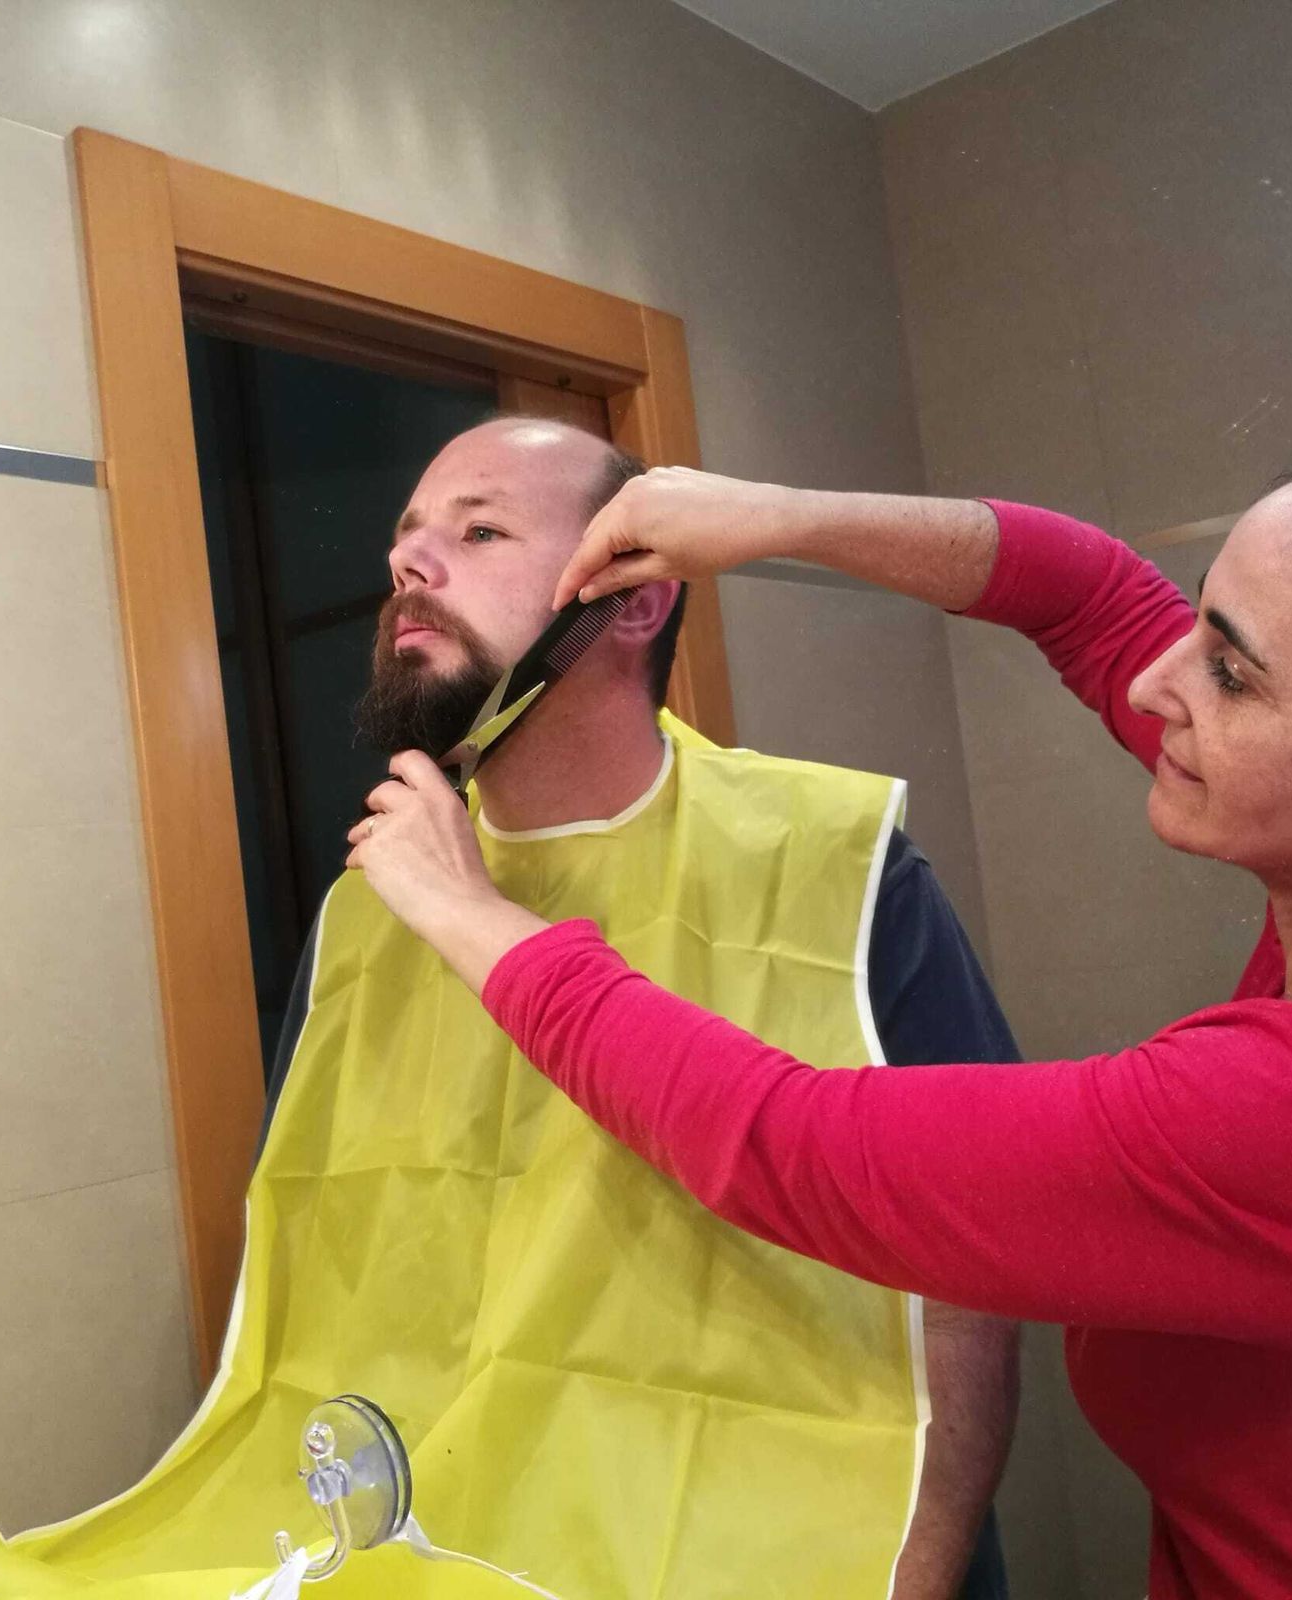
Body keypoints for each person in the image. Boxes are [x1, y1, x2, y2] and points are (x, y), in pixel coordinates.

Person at [346, 429, 1292, 1600]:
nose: (1158, 680)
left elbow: (792, 1144)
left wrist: (472, 915)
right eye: (1197, 624)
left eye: (1231, 671)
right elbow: (1088, 592)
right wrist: (778, 513)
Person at [260, 415, 1019, 1599]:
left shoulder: (834, 865)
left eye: (480, 529)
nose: (410, 562)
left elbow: (973, 1268)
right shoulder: (361, 920)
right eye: (408, 535)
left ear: (633, 601)